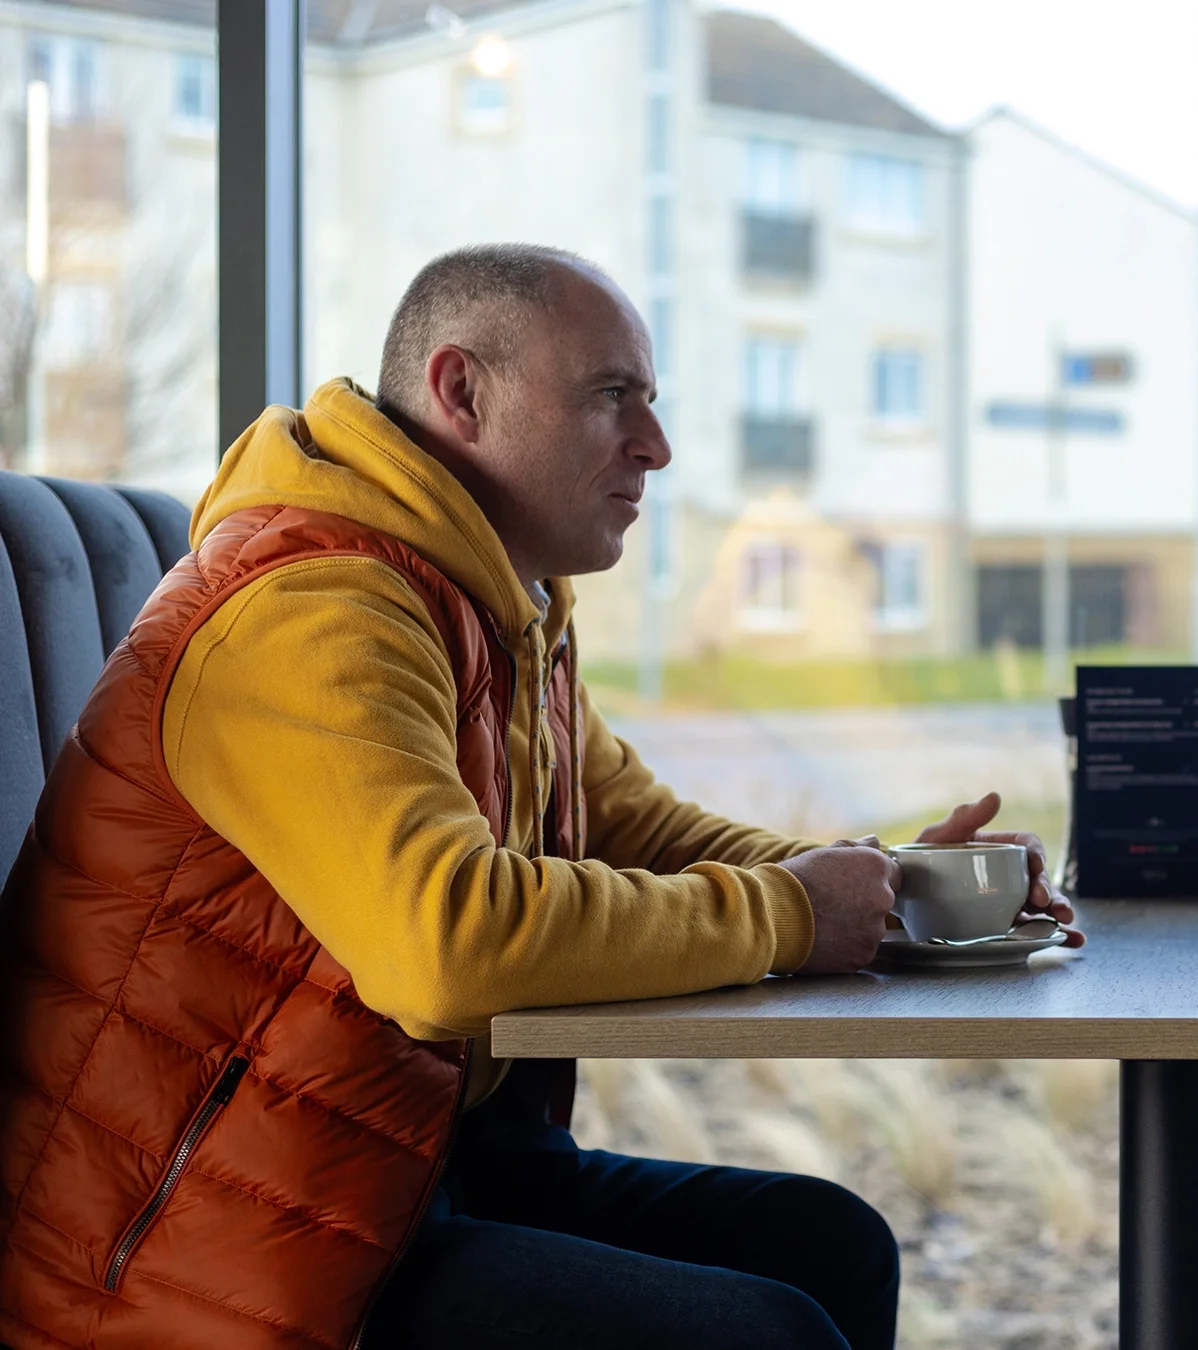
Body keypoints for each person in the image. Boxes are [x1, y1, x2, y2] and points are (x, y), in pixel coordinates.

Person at [0, 244, 1076, 1350]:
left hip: (393, 1172)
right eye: (613, 397)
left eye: (649, 402)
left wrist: (893, 884)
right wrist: (794, 916)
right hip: (205, 1247)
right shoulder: (313, 608)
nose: (656, 447)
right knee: (762, 1333)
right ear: (462, 391)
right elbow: (449, 949)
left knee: (831, 1243)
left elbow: (638, 830)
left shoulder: (494, 602)